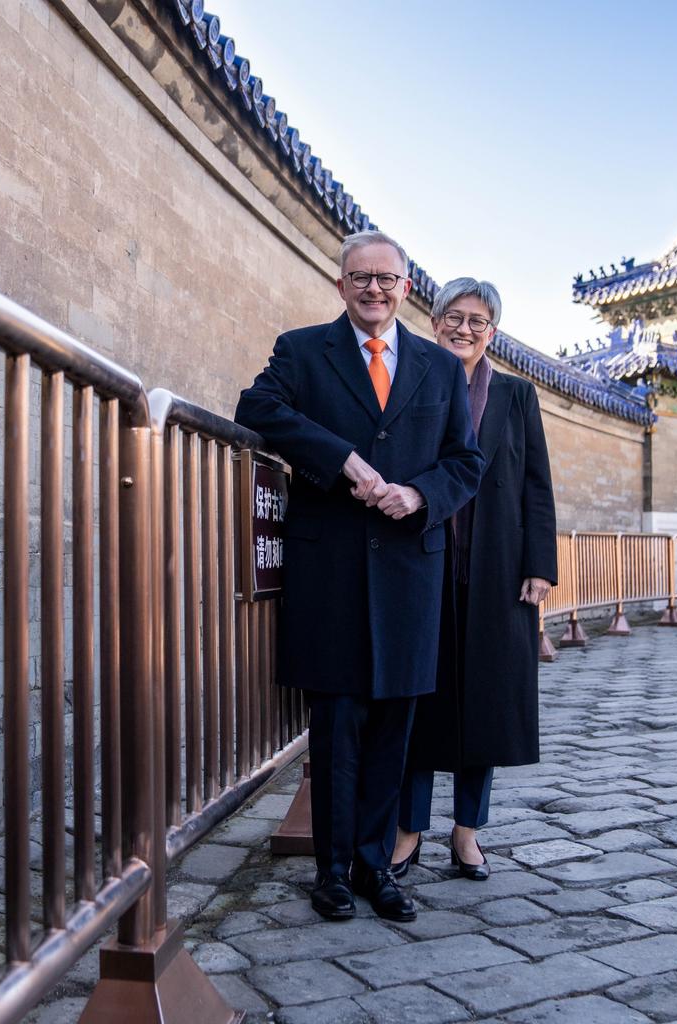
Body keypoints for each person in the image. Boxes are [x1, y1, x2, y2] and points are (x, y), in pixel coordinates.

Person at [234, 234, 483, 921]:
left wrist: (420, 495)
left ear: (407, 289)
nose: (374, 289)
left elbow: (466, 462)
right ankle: (333, 872)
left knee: (394, 732)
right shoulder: (303, 350)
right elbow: (255, 409)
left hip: (409, 573)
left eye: (388, 279)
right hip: (332, 571)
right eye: (360, 277)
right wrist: (341, 460)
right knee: (337, 727)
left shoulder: (439, 367)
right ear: (340, 284)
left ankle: (378, 868)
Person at [391, 277, 557, 880]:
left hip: (496, 574)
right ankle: (408, 832)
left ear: (493, 331)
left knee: (484, 708)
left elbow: (536, 482)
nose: (464, 329)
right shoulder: (412, 383)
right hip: (423, 566)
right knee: (417, 702)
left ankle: (467, 834)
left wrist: (540, 564)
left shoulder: (516, 396)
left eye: (477, 321)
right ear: (433, 321)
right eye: (453, 317)